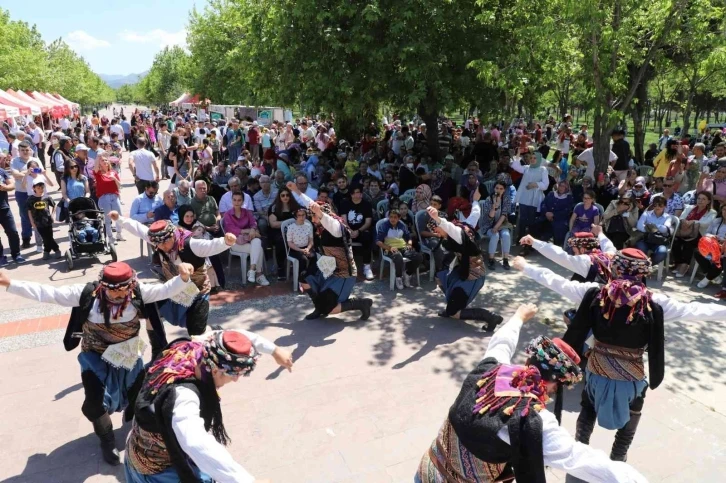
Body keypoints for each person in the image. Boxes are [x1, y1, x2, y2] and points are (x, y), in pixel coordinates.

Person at [514, 248, 726, 462]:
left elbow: (558, 282)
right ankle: (618, 458)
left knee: (588, 408)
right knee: (633, 413)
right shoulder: (654, 303)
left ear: (615, 268)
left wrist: (526, 266)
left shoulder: (595, 293)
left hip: (596, 370)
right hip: (631, 377)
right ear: (643, 273)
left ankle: (580, 450)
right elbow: (696, 310)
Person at [415, 302, 647, 483]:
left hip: (427, 470)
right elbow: (580, 459)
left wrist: (518, 316)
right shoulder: (530, 420)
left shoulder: (490, 369)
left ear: (529, 359)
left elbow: (501, 343)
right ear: (556, 384)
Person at [0, 262, 193, 465]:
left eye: (123, 290)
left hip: (127, 356)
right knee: (93, 403)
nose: (118, 296)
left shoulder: (140, 292)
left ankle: (138, 428)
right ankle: (107, 439)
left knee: (140, 397)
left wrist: (183, 277)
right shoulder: (86, 294)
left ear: (131, 285)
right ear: (103, 286)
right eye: (113, 291)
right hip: (95, 357)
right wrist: (9, 283)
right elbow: (47, 292)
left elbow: (166, 289)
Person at [124, 329, 291, 482]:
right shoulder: (184, 397)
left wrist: (275, 350)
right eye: (233, 374)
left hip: (154, 441)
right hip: (157, 468)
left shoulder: (201, 348)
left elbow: (234, 337)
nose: (235, 380)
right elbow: (196, 442)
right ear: (216, 370)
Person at [110, 213, 236, 335]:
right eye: (158, 243)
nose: (162, 246)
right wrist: (119, 219)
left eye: (165, 242)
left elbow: (210, 245)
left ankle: (213, 331)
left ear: (173, 236)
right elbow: (138, 228)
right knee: (148, 306)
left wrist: (226, 242)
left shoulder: (190, 244)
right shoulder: (158, 240)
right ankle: (158, 346)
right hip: (173, 290)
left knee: (196, 332)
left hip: (198, 292)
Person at [289, 182, 373, 320]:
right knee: (305, 278)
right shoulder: (323, 226)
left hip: (344, 272)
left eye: (314, 215)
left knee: (330, 309)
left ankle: (360, 303)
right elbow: (312, 206)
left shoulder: (335, 226)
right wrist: (297, 191)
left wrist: (312, 205)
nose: (312, 218)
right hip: (328, 267)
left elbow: (318, 211)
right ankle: (319, 308)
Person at [426, 191, 503, 331]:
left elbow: (448, 227)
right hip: (462, 269)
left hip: (473, 275)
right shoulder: (465, 225)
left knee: (454, 313)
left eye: (437, 230)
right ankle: (453, 304)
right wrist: (475, 201)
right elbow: (475, 214)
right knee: (440, 277)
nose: (437, 234)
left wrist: (437, 218)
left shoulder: (456, 232)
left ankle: (489, 317)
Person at [222, 192, 270, 286]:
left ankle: (252, 270)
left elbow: (253, 223)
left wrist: (252, 229)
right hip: (235, 242)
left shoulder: (246, 212)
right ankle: (259, 274)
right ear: (232, 201)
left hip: (248, 240)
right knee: (258, 248)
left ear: (243, 201)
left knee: (257, 241)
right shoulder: (228, 214)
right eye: (234, 200)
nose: (236, 202)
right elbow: (231, 229)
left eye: (239, 200)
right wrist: (248, 230)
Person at [671, 191, 716, 278]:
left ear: (709, 201)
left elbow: (706, 223)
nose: (700, 201)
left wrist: (693, 222)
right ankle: (679, 263)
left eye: (703, 199)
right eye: (699, 198)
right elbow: (681, 217)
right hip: (685, 231)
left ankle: (685, 265)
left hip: (700, 234)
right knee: (675, 240)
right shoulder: (690, 207)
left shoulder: (712, 212)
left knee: (690, 242)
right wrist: (684, 221)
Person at [376, 207, 423, 290]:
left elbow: (408, 237)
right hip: (390, 248)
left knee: (418, 256)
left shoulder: (402, 225)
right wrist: (389, 248)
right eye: (391, 217)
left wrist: (409, 244)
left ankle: (407, 274)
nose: (392, 219)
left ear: (399, 218)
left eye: (395, 217)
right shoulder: (384, 226)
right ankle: (398, 277)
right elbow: (378, 241)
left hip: (403, 247)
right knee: (398, 257)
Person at [9, 141, 41, 249]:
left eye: (27, 149)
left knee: (39, 214)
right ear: (19, 151)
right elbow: (15, 174)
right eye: (22, 150)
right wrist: (28, 172)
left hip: (35, 192)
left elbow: (41, 172)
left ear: (30, 150)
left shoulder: (35, 160)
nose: (25, 152)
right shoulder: (15, 161)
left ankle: (41, 237)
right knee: (24, 216)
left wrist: (23, 173)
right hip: (22, 193)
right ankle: (26, 238)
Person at [512, 151, 549, 244]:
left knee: (532, 220)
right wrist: (517, 155)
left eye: (534, 158)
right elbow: (515, 166)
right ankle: (520, 238)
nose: (532, 160)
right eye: (531, 158)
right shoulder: (526, 168)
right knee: (522, 219)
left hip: (534, 198)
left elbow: (545, 185)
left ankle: (531, 241)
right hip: (524, 197)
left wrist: (535, 184)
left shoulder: (542, 169)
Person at [341, 186, 375, 280]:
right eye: (356, 192)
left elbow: (368, 222)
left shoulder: (366, 204)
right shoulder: (345, 204)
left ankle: (367, 267)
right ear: (351, 194)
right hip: (348, 230)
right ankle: (345, 266)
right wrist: (350, 231)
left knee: (367, 237)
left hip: (362, 230)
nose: (359, 194)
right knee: (339, 237)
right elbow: (343, 221)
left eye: (360, 192)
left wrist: (358, 231)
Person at [268, 188, 301, 281]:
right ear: (279, 197)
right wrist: (289, 223)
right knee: (281, 241)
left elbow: (302, 219)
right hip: (278, 232)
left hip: (295, 232)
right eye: (283, 195)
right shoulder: (274, 207)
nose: (285, 197)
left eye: (287, 195)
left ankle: (300, 266)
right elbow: (273, 224)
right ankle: (281, 267)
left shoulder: (295, 206)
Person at [531, 180, 575, 249]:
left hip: (559, 219)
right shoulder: (551, 194)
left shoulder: (569, 198)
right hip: (546, 216)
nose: (561, 188)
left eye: (563, 186)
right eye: (560, 185)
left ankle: (557, 247)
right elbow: (543, 204)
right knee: (535, 224)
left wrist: (553, 214)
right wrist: (546, 213)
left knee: (559, 228)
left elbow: (567, 211)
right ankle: (529, 246)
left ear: (566, 188)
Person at [479, 180, 512, 270]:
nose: (498, 190)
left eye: (501, 189)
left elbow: (504, 214)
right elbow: (490, 217)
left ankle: (505, 259)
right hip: (488, 225)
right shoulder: (488, 199)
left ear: (504, 190)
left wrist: (497, 226)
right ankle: (491, 259)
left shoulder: (506, 199)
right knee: (495, 235)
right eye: (497, 188)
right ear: (494, 188)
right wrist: (495, 206)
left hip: (502, 224)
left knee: (506, 235)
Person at [93, 153, 125, 244]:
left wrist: (114, 178)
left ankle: (119, 234)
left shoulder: (113, 172)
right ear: (99, 163)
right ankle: (110, 237)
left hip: (114, 196)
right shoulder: (98, 174)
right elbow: (95, 169)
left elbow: (119, 186)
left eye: (106, 160)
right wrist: (98, 157)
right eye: (102, 160)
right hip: (104, 197)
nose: (105, 161)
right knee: (107, 219)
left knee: (119, 215)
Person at [693, 203, 726, 292]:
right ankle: (713, 276)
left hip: (724, 249)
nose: (725, 212)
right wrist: (713, 236)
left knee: (721, 261)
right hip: (712, 246)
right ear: (721, 211)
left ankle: (706, 279)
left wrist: (723, 240)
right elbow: (707, 233)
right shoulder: (716, 221)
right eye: (724, 210)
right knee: (697, 252)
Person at [634, 195, 674, 265]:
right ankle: (644, 265)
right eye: (655, 205)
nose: (657, 207)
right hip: (645, 239)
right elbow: (639, 226)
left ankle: (648, 265)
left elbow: (665, 229)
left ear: (665, 206)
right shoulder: (646, 214)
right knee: (640, 248)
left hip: (659, 241)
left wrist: (650, 226)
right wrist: (658, 228)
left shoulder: (668, 217)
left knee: (662, 253)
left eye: (660, 205)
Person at [27, 179, 61, 260]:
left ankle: (47, 251)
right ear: (34, 188)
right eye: (38, 188)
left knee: (49, 236)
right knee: (45, 237)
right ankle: (56, 249)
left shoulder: (46, 197)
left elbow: (54, 205)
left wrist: (52, 215)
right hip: (38, 222)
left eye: (42, 188)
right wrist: (32, 221)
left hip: (47, 221)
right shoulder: (30, 199)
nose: (41, 190)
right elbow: (29, 211)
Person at [0, 154, 24, 264]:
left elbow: (12, 185)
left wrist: (4, 187)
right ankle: (1, 257)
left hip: (4, 207)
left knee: (13, 232)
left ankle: (16, 254)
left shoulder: (1, 171)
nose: (3, 160)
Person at [286, 207, 315, 278]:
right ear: (296, 216)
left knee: (313, 256)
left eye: (303, 215)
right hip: (295, 249)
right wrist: (300, 250)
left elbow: (311, 240)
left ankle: (310, 275)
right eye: (299, 215)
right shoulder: (291, 227)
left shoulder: (308, 226)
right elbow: (289, 243)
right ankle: (301, 277)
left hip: (306, 247)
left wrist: (308, 248)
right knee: (303, 259)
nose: (301, 217)